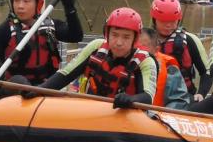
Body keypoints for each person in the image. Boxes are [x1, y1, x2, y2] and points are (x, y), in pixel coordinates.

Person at [22, 7, 157, 109]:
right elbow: (66, 74)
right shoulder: (96, 47)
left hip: (125, 115)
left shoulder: (145, 62)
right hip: (92, 111)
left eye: (126, 37)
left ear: (135, 39)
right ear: (107, 34)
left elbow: (147, 97)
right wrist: (39, 90)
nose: (119, 42)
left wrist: (130, 100)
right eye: (115, 35)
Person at [0, 0, 83, 102]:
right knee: (20, 82)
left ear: (38, 3)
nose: (20, 6)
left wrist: (69, 6)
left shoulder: (50, 26)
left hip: (44, 89)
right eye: (16, 0)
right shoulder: (3, 31)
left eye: (26, 1)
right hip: (13, 93)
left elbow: (76, 36)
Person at [150, 0, 212, 102]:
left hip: (183, 97)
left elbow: (207, 72)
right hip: (152, 95)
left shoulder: (190, 40)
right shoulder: (144, 39)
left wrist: (201, 93)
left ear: (178, 20)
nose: (168, 25)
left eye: (172, 21)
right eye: (164, 21)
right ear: (154, 20)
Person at [139, 27, 189, 110]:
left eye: (142, 47)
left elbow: (178, 101)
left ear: (156, 50)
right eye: (134, 46)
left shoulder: (169, 68)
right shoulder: (120, 61)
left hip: (154, 118)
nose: (137, 50)